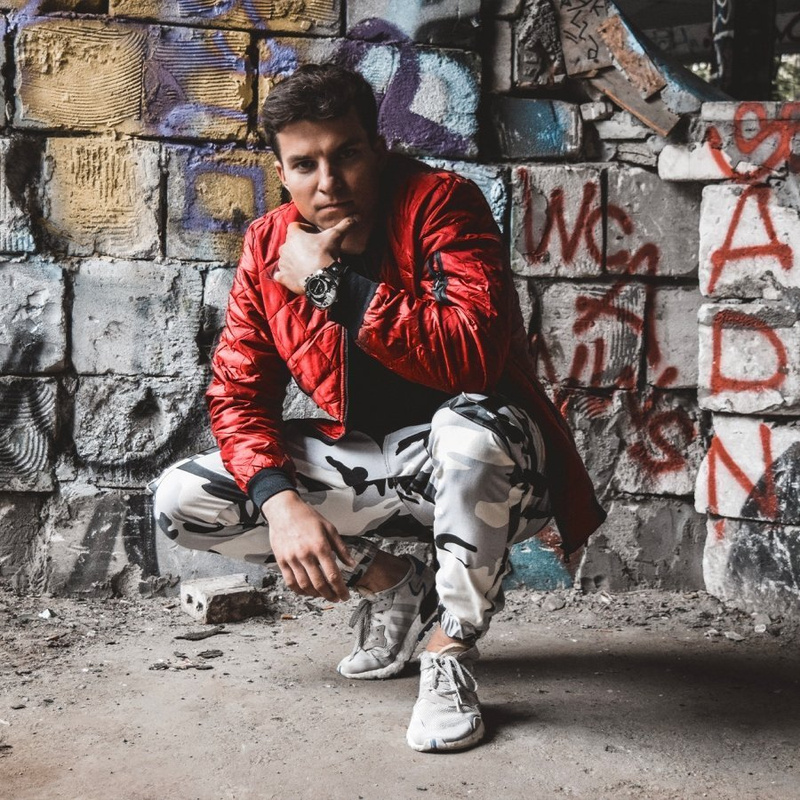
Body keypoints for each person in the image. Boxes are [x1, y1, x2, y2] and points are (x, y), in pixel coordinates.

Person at [152, 64, 605, 752]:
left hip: (493, 468)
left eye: (348, 155)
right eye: (304, 165)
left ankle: (450, 650)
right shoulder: (268, 245)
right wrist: (281, 504)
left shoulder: (441, 204)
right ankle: (395, 584)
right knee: (183, 500)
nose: (328, 182)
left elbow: (473, 358)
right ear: (282, 172)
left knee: (468, 430)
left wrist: (331, 286)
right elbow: (238, 393)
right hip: (369, 462)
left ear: (379, 150)